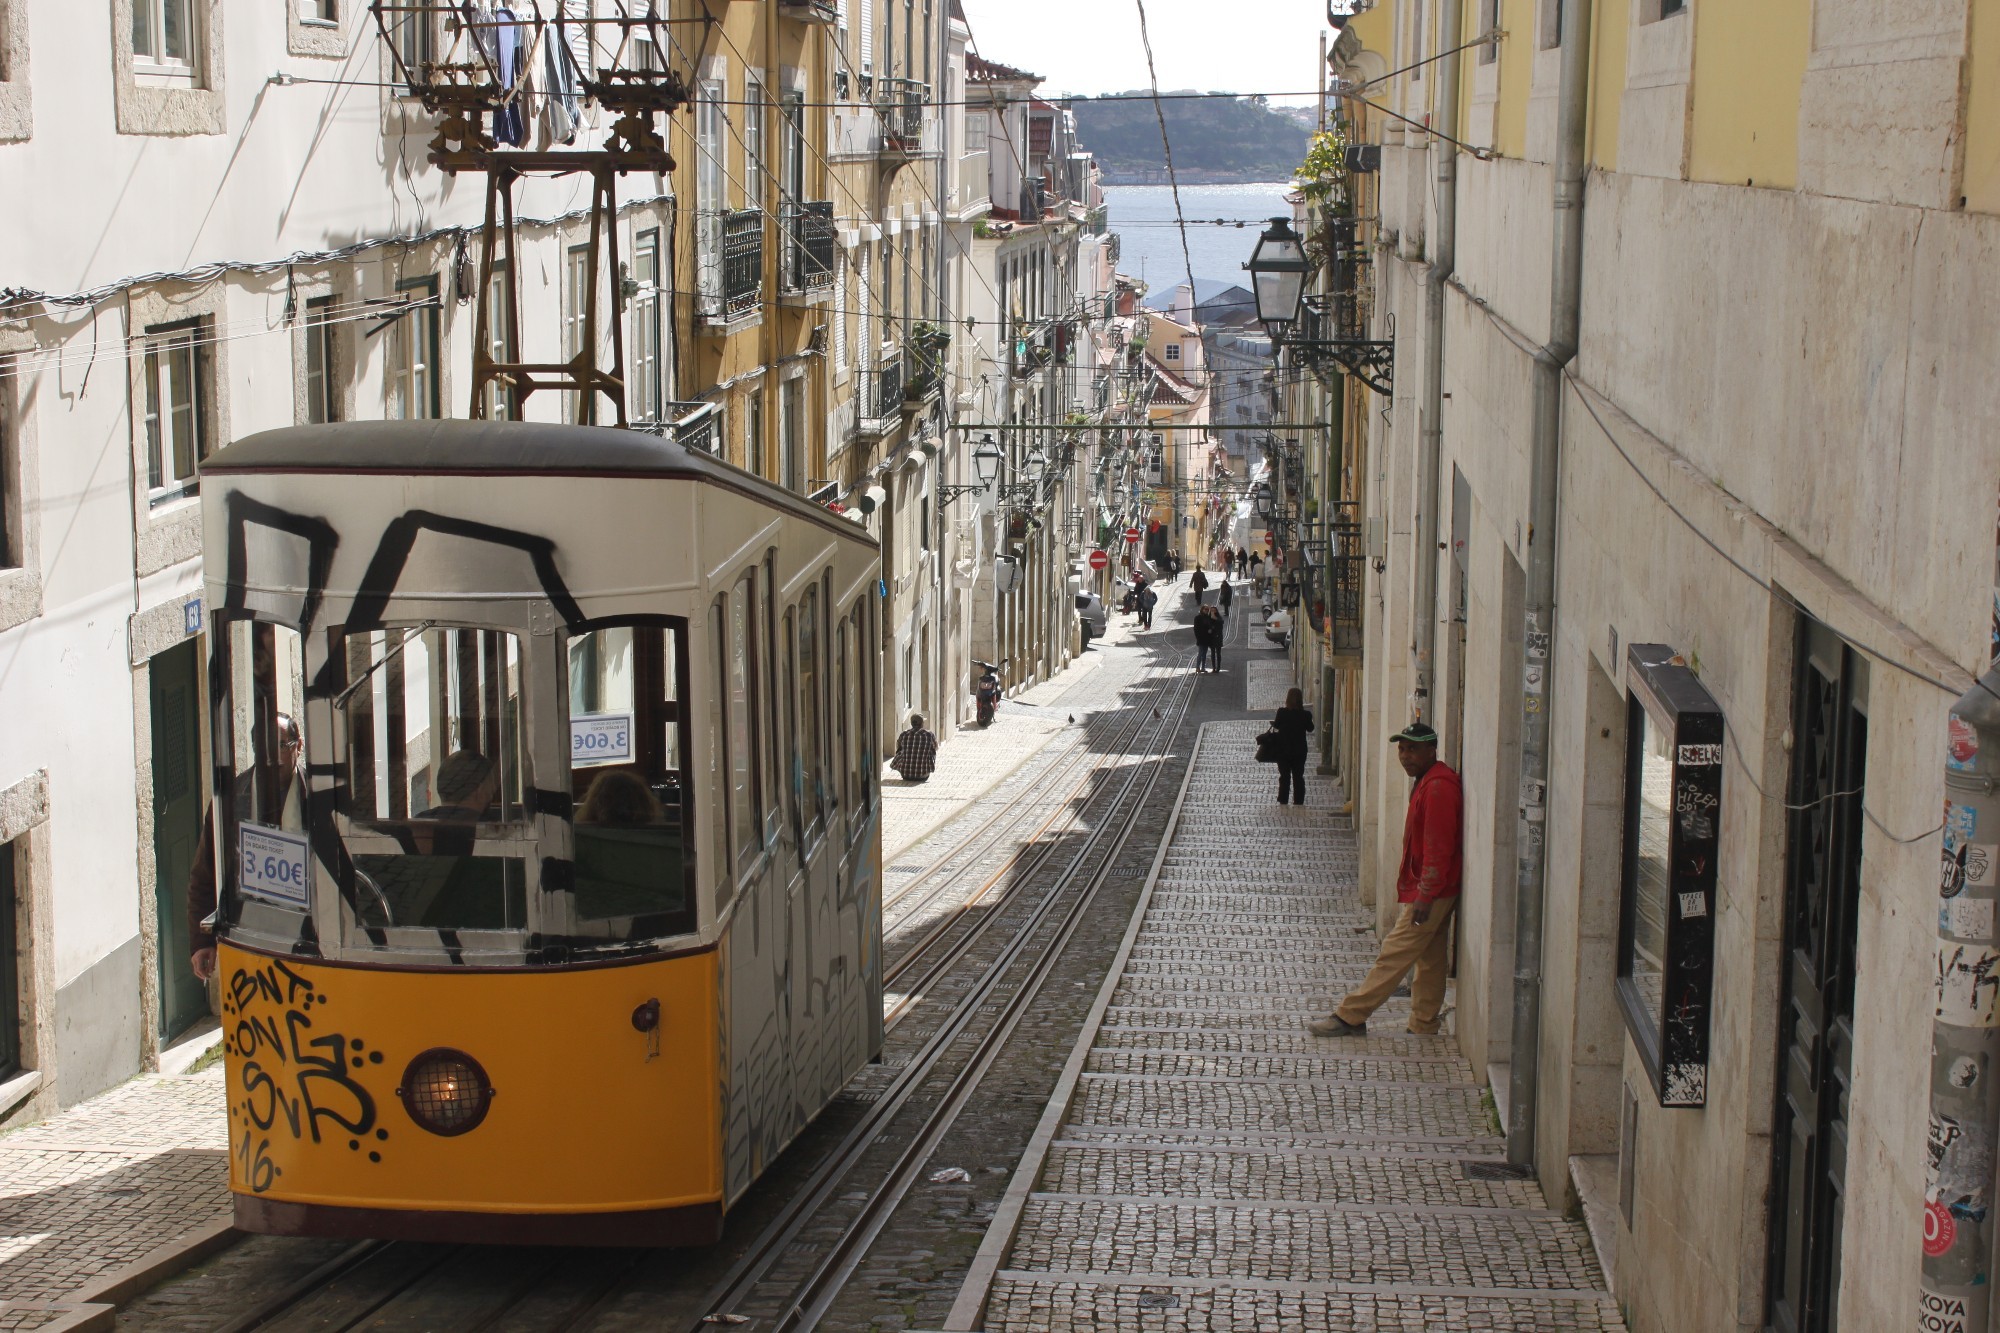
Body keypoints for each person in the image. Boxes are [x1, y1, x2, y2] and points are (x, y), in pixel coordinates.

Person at [1310, 721, 1463, 1037]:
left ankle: (1351, 1015)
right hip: (1434, 888)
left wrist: (1425, 894)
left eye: (1413, 749)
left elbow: (1439, 846)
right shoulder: (1427, 781)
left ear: (1431, 750)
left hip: (1432, 892)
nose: (1405, 756)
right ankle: (1424, 1023)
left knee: (1394, 952)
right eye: (1402, 749)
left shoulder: (1437, 787)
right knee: (1431, 960)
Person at [1271, 687, 1314, 805]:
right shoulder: (1305, 715)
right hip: (1299, 750)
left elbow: (1277, 725)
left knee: (1284, 776)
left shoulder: (1281, 712)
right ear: (1300, 700)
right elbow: (1310, 729)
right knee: (1298, 776)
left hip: (1283, 750)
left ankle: (1283, 799)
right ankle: (1298, 800)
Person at [891, 713, 938, 782]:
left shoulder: (904, 734)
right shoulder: (929, 734)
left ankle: (905, 767)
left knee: (900, 750)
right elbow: (936, 747)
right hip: (923, 775)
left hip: (905, 775)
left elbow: (898, 746)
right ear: (922, 723)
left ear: (911, 723)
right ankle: (925, 767)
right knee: (932, 750)